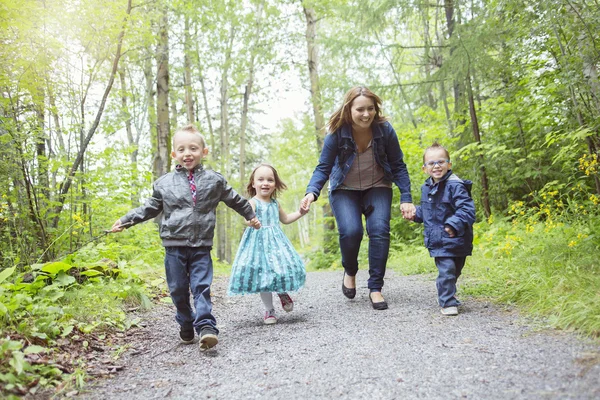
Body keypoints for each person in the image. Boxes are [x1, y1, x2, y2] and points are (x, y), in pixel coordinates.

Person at [111, 124, 261, 351]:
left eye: (193, 148)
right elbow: (150, 208)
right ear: (174, 154)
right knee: (178, 289)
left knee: (201, 286)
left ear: (204, 151)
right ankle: (185, 321)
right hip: (174, 245)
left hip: (201, 245)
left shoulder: (215, 180)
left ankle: (207, 327)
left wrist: (250, 215)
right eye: (181, 149)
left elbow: (236, 200)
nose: (187, 153)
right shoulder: (164, 183)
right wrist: (126, 220)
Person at [300, 86, 415, 310]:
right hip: (345, 188)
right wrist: (311, 192)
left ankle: (375, 288)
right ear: (348, 109)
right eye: (360, 109)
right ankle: (350, 270)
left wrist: (406, 197)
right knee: (351, 231)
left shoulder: (385, 130)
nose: (366, 114)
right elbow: (323, 167)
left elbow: (398, 165)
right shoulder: (337, 133)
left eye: (370, 109)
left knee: (379, 231)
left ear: (376, 109)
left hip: (378, 186)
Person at [228, 164, 307, 324]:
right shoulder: (253, 202)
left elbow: (285, 219)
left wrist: (300, 213)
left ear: (275, 184)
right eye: (261, 179)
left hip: (276, 242)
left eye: (270, 180)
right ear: (253, 183)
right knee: (263, 276)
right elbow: (246, 218)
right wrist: (253, 222)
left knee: (281, 268)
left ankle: (282, 291)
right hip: (257, 245)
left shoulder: (275, 204)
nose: (265, 183)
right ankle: (269, 310)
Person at [410, 142, 476, 316]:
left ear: (449, 164)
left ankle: (449, 293)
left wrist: (453, 224)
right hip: (439, 240)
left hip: (458, 238)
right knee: (446, 270)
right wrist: (415, 214)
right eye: (431, 163)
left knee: (455, 270)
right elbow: (427, 212)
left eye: (441, 161)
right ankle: (447, 302)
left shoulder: (456, 186)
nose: (436, 166)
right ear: (425, 168)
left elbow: (467, 210)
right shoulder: (426, 187)